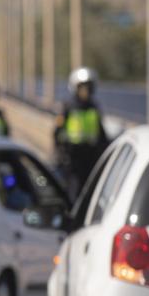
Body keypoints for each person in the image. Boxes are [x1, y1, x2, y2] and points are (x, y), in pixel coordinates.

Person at [54, 67, 109, 201]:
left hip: (90, 159)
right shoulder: (69, 107)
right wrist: (62, 155)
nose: (86, 91)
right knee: (73, 193)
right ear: (76, 87)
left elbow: (101, 134)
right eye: (82, 87)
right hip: (73, 160)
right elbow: (58, 133)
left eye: (88, 87)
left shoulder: (94, 108)